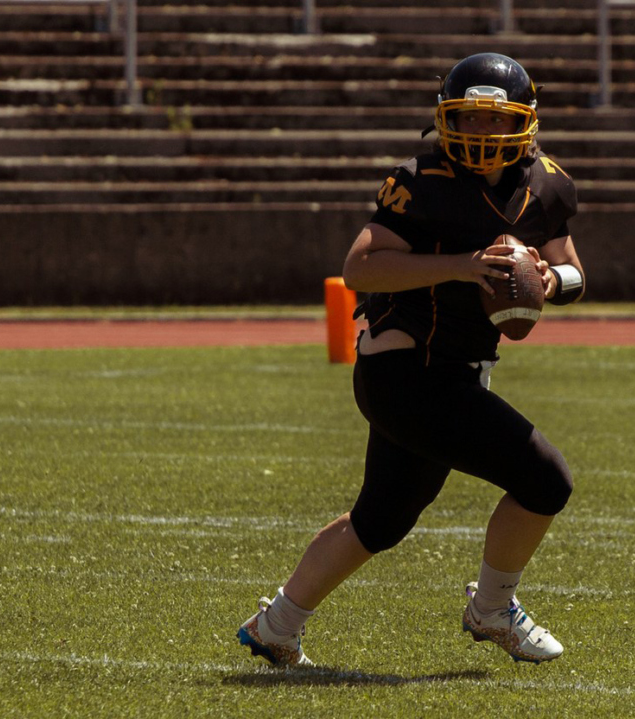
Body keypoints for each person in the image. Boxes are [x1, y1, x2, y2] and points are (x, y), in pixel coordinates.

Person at [238, 52, 587, 667]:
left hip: (452, 371)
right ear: (445, 121)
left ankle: (276, 625)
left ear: (524, 124)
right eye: (468, 121)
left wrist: (547, 281)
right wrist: (463, 265)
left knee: (382, 520)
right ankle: (491, 609)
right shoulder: (421, 179)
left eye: (493, 121)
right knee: (545, 479)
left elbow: (573, 270)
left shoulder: (547, 183)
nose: (480, 135)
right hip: (406, 372)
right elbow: (360, 267)